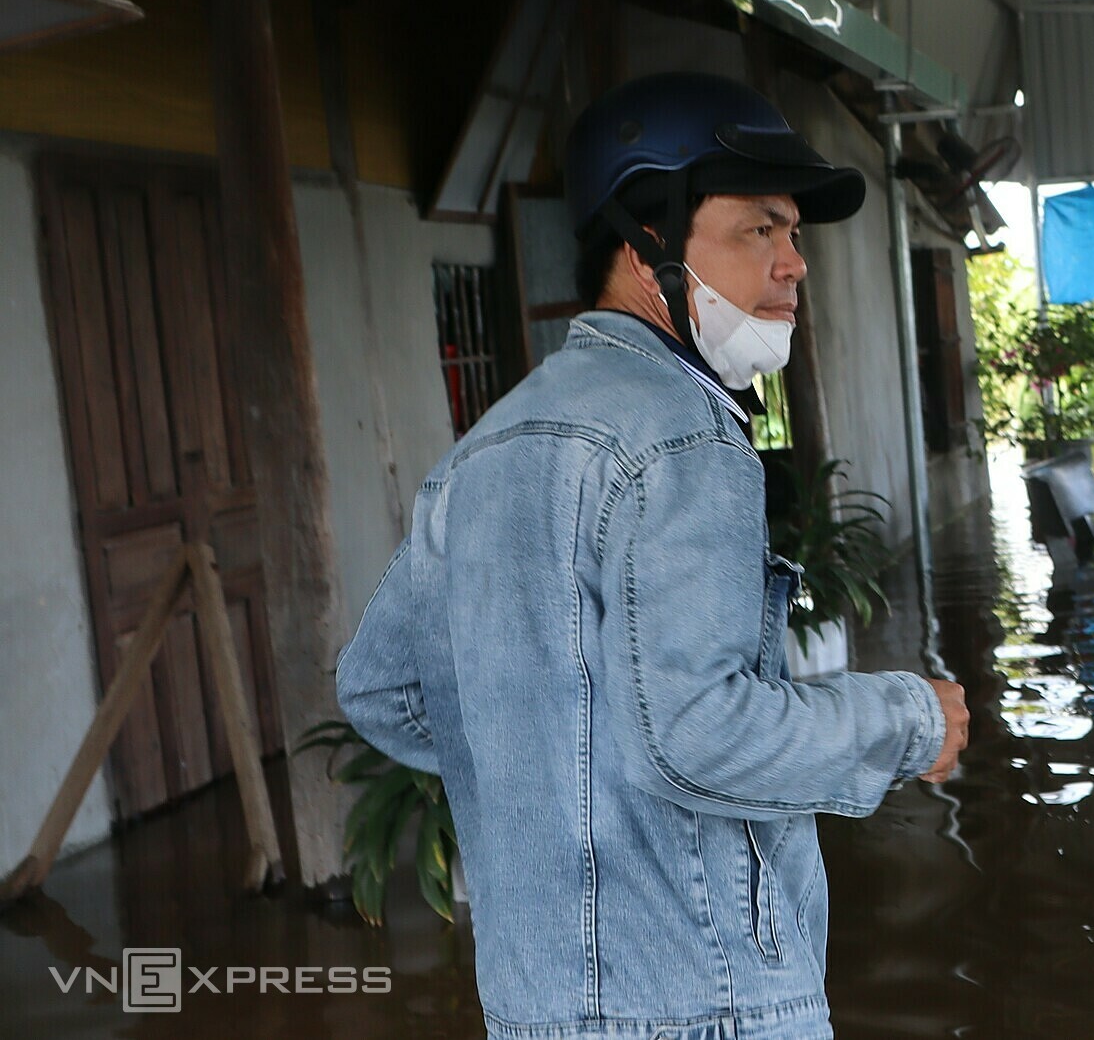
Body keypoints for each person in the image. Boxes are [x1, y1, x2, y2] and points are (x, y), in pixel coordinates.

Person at [335, 72, 968, 1040]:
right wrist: (908, 718)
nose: (796, 263)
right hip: (703, 1003)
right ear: (648, 242)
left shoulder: (480, 454)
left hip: (535, 1007)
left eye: (796, 234)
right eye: (760, 229)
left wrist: (557, 770)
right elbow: (698, 734)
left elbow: (382, 688)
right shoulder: (687, 437)